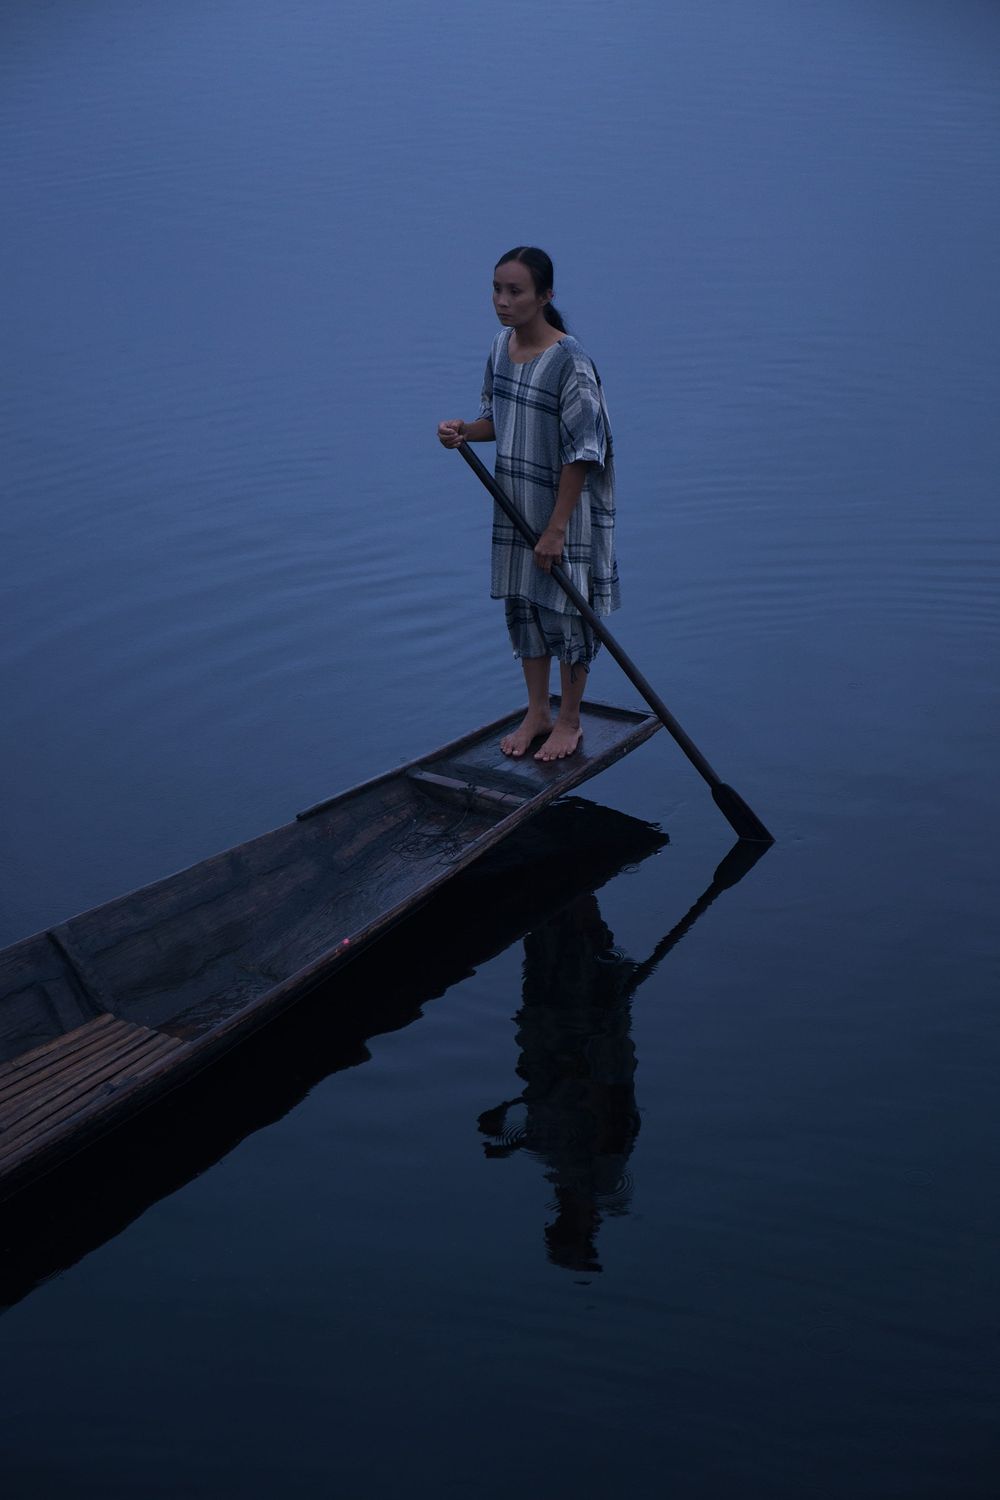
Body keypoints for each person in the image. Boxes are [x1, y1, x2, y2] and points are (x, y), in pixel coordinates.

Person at [438, 247, 620, 761]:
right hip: (515, 503)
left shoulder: (570, 361)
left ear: (545, 296)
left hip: (564, 512)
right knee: (525, 606)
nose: (502, 301)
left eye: (515, 291)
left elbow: (584, 451)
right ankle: (538, 710)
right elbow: (497, 421)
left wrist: (556, 529)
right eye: (497, 290)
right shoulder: (501, 347)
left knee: (567, 613)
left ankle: (569, 720)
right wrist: (463, 431)